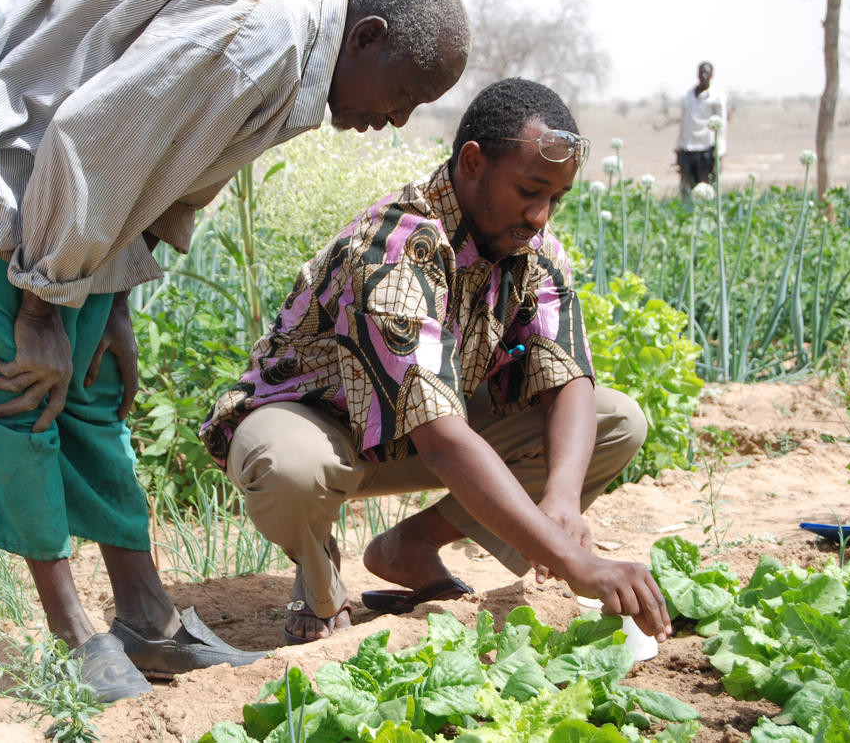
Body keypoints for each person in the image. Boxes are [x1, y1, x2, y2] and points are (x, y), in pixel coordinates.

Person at [0, 0, 470, 702]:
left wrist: (109, 300)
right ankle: (75, 633)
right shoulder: (263, 36)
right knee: (19, 384)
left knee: (89, 384)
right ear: (368, 36)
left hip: (64, 189)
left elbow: (160, 170)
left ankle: (146, 616)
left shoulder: (292, 49)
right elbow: (91, 139)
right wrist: (41, 306)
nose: (397, 119)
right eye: (405, 93)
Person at [201, 78, 673, 646]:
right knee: (290, 470)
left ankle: (411, 546)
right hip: (319, 423)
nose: (542, 214)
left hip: (414, 432)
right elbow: (443, 440)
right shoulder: (399, 246)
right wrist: (574, 563)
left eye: (556, 197)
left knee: (613, 420)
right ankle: (318, 573)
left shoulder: (531, 247)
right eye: (529, 190)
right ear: (472, 163)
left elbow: (565, 372)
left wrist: (562, 500)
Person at [674, 61, 727, 193]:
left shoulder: (717, 97)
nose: (704, 76)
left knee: (707, 189)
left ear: (711, 76)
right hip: (688, 149)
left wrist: (719, 152)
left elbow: (721, 126)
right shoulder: (688, 95)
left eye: (707, 73)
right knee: (686, 190)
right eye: (701, 72)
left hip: (707, 150)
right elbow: (683, 123)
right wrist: (678, 148)